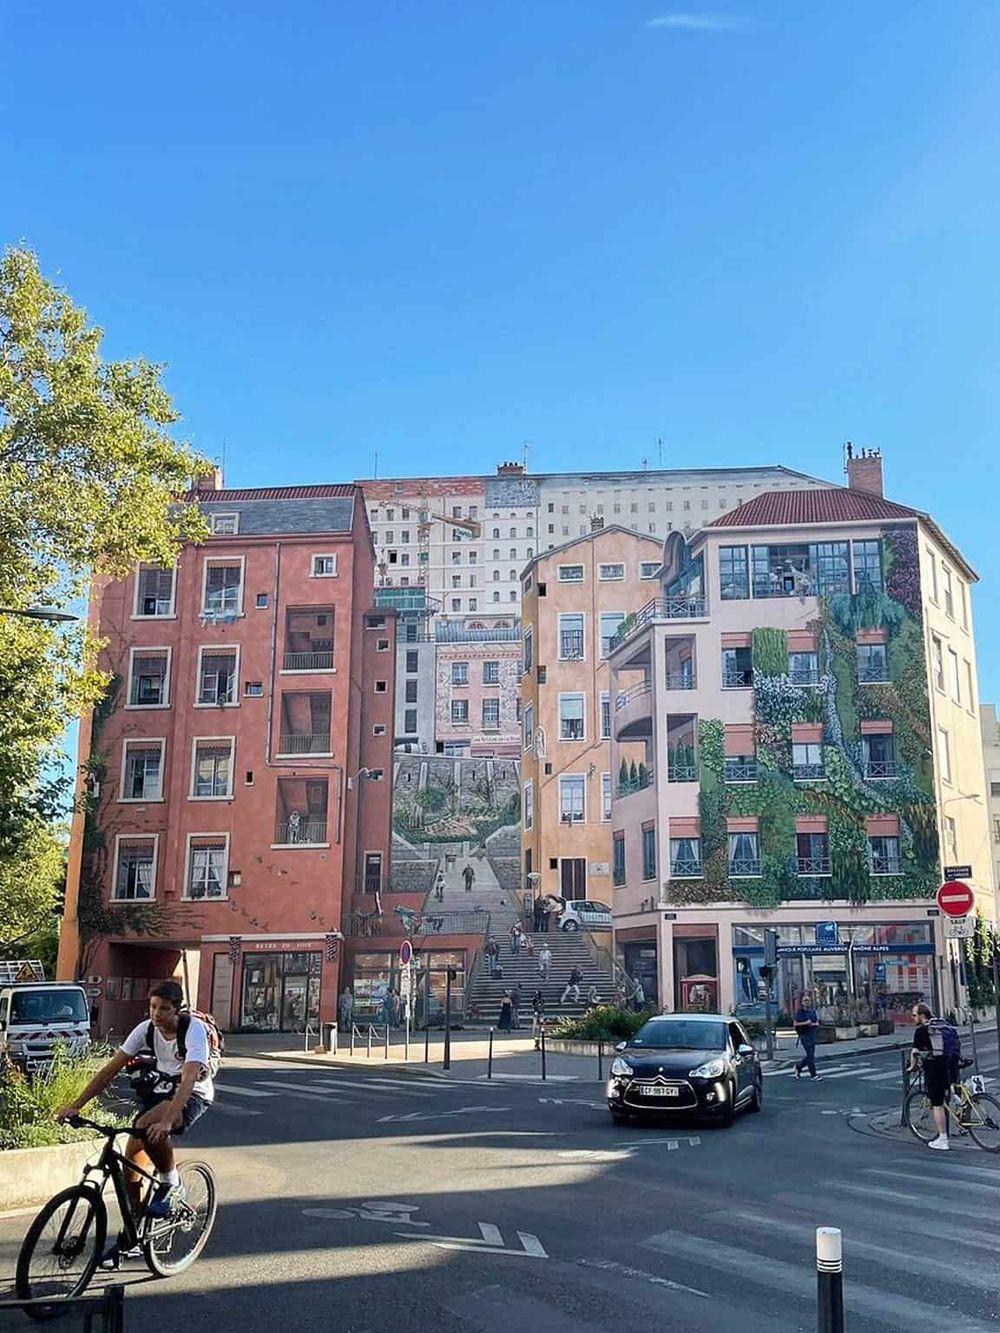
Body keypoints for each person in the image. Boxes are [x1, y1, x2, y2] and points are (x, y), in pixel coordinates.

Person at [56, 980, 214, 1268]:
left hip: (192, 1095)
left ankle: (172, 1184)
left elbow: (189, 1079)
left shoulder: (193, 1030)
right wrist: (76, 1105)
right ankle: (133, 1237)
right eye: (153, 1007)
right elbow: (110, 1070)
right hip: (159, 1091)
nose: (156, 1014)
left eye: (164, 1009)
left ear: (177, 1009)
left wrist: (167, 1121)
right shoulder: (145, 1030)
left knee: (146, 1125)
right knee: (130, 1169)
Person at [909, 1002, 961, 1150]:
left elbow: (915, 1052)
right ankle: (956, 1098)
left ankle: (943, 1139)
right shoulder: (943, 1025)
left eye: (914, 1015)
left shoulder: (921, 1031)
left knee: (937, 1104)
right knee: (947, 1087)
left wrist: (912, 1067)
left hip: (936, 1068)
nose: (912, 1018)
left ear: (922, 1016)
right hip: (952, 1064)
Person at [794, 990, 820, 1080]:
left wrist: (814, 1024)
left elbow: (816, 1022)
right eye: (805, 1001)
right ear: (802, 1002)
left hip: (812, 1035)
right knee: (810, 1055)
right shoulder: (800, 1012)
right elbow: (795, 1024)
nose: (807, 1002)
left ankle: (799, 1066)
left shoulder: (812, 1011)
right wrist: (806, 1023)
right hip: (804, 1035)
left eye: (808, 1000)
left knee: (811, 1055)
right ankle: (813, 1075)